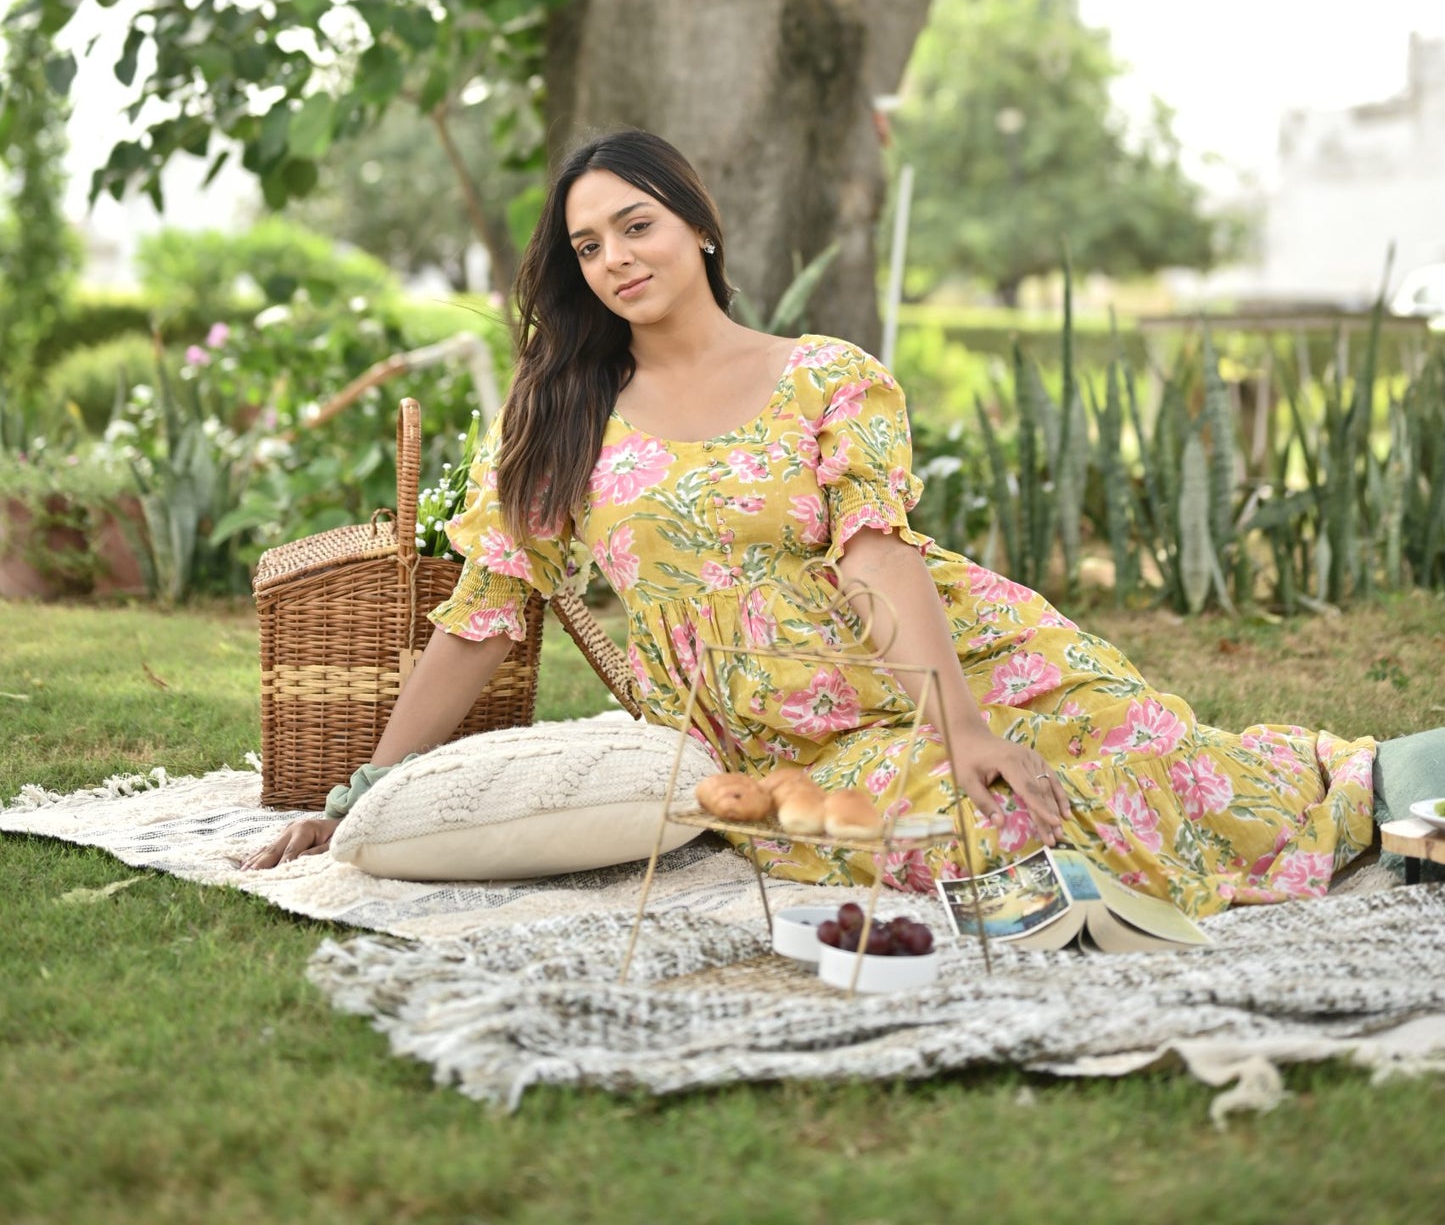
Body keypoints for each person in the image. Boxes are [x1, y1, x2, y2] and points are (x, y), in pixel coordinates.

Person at [245, 128, 1377, 912]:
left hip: (955, 657)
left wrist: (960, 721)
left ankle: (1371, 788)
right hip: (781, 736)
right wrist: (363, 794)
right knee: (999, 830)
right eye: (586, 246)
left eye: (633, 226)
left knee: (1163, 757)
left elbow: (876, 557)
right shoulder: (557, 418)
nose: (613, 260)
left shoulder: (827, 376)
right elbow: (482, 621)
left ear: (698, 224)